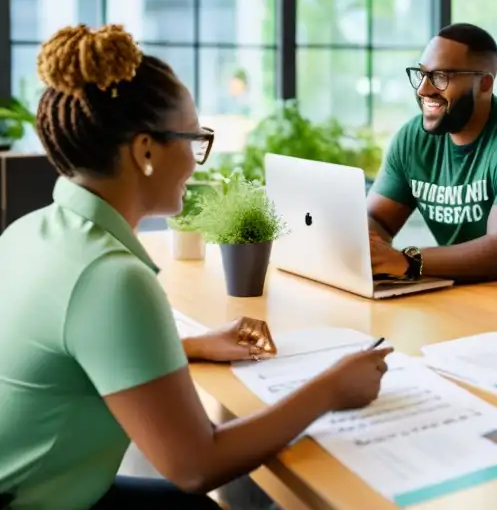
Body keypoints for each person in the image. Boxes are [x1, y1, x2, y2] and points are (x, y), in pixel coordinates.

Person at [0, 25, 393, 510]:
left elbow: (65, 356)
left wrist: (188, 347)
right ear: (145, 151)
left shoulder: (30, 232)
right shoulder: (110, 277)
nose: (196, 160)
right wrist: (330, 389)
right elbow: (194, 466)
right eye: (193, 139)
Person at [367, 23, 497, 284]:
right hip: (470, 290)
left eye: (441, 77)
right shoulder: (412, 139)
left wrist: (407, 261)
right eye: (421, 74)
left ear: (484, 84)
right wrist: (367, 248)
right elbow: (377, 218)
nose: (423, 89)